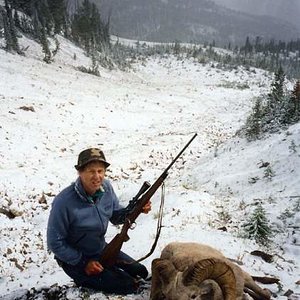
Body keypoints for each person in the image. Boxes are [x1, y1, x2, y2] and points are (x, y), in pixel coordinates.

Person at [47, 148, 152, 295]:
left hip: (101, 249)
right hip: (76, 260)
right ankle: (83, 277)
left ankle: (108, 272)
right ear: (80, 172)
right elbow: (55, 242)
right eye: (91, 171)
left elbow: (116, 216)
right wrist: (83, 263)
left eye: (100, 171)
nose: (97, 176)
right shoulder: (63, 202)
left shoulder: (106, 188)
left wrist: (137, 209)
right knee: (128, 285)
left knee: (140, 271)